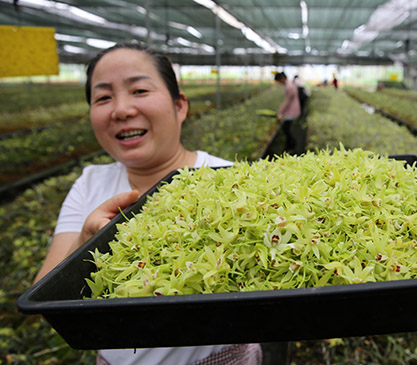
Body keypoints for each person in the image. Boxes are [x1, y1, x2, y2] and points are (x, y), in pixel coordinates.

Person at [33, 42, 262, 365]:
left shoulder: (231, 180)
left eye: (139, 90)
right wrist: (89, 243)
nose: (121, 110)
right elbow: (45, 294)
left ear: (179, 106)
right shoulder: (90, 184)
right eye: (103, 97)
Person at [273, 72, 301, 153]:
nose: (279, 83)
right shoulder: (289, 85)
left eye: (279, 81)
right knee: (286, 128)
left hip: (292, 110)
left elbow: (287, 101)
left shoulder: (289, 87)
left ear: (282, 78)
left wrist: (280, 112)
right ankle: (290, 144)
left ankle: (292, 145)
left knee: (286, 128)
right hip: (292, 109)